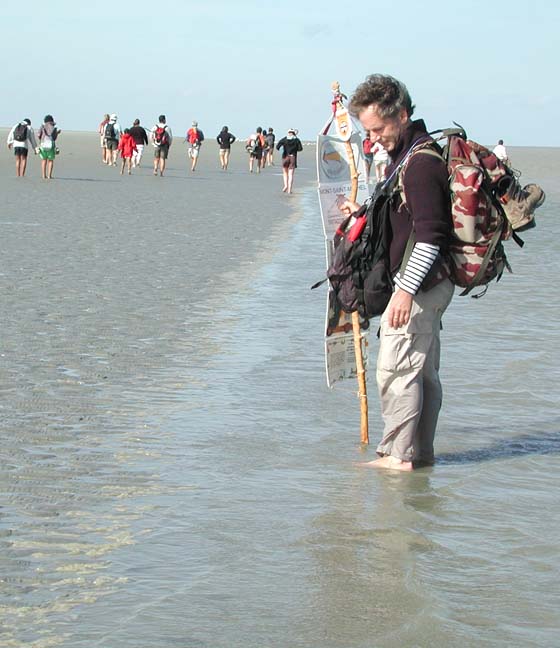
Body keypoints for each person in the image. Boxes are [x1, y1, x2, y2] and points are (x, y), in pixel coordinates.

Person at [340, 74, 454, 471]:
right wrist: (359, 214)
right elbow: (404, 220)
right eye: (367, 131)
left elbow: (431, 234)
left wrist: (404, 291)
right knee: (420, 373)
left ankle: (398, 457)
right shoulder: (409, 155)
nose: (372, 139)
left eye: (378, 129)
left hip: (420, 286)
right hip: (430, 284)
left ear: (402, 115)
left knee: (397, 370)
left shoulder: (421, 163)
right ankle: (419, 455)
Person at [275, 128, 303, 193]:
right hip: (293, 157)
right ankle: (289, 190)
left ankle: (285, 186)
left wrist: (283, 149)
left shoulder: (284, 139)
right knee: (291, 175)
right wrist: (295, 148)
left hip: (285, 157)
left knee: (285, 173)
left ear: (288, 133)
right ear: (293, 133)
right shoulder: (296, 140)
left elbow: (277, 147)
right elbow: (300, 149)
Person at [36, 115, 60, 180]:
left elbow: (38, 135)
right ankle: (49, 176)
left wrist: (41, 137)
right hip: (51, 145)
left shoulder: (42, 126)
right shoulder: (53, 127)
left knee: (44, 160)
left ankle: (44, 175)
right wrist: (57, 133)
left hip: (43, 144)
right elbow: (54, 138)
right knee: (50, 160)